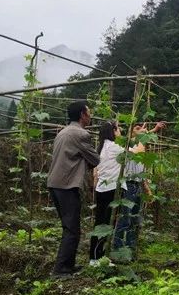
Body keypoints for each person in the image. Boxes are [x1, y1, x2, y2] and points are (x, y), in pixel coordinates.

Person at [47, 101, 100, 278]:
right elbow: (95, 159)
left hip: (56, 183)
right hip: (67, 185)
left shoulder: (63, 132)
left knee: (68, 227)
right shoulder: (81, 134)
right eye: (89, 112)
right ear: (82, 115)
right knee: (72, 229)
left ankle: (68, 266)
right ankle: (60, 269)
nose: (91, 116)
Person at [112, 121, 165, 260]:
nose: (141, 130)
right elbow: (140, 143)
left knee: (135, 219)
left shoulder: (141, 148)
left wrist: (147, 189)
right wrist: (153, 130)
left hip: (137, 186)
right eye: (137, 128)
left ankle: (130, 250)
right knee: (125, 218)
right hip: (128, 186)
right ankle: (117, 250)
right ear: (131, 133)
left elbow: (142, 173)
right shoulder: (126, 146)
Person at [88, 121, 123, 265]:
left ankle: (97, 257)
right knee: (105, 223)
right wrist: (145, 135)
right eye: (119, 129)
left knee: (101, 222)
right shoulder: (114, 147)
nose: (120, 132)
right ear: (113, 131)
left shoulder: (102, 147)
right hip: (109, 190)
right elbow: (137, 151)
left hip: (102, 189)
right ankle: (97, 259)